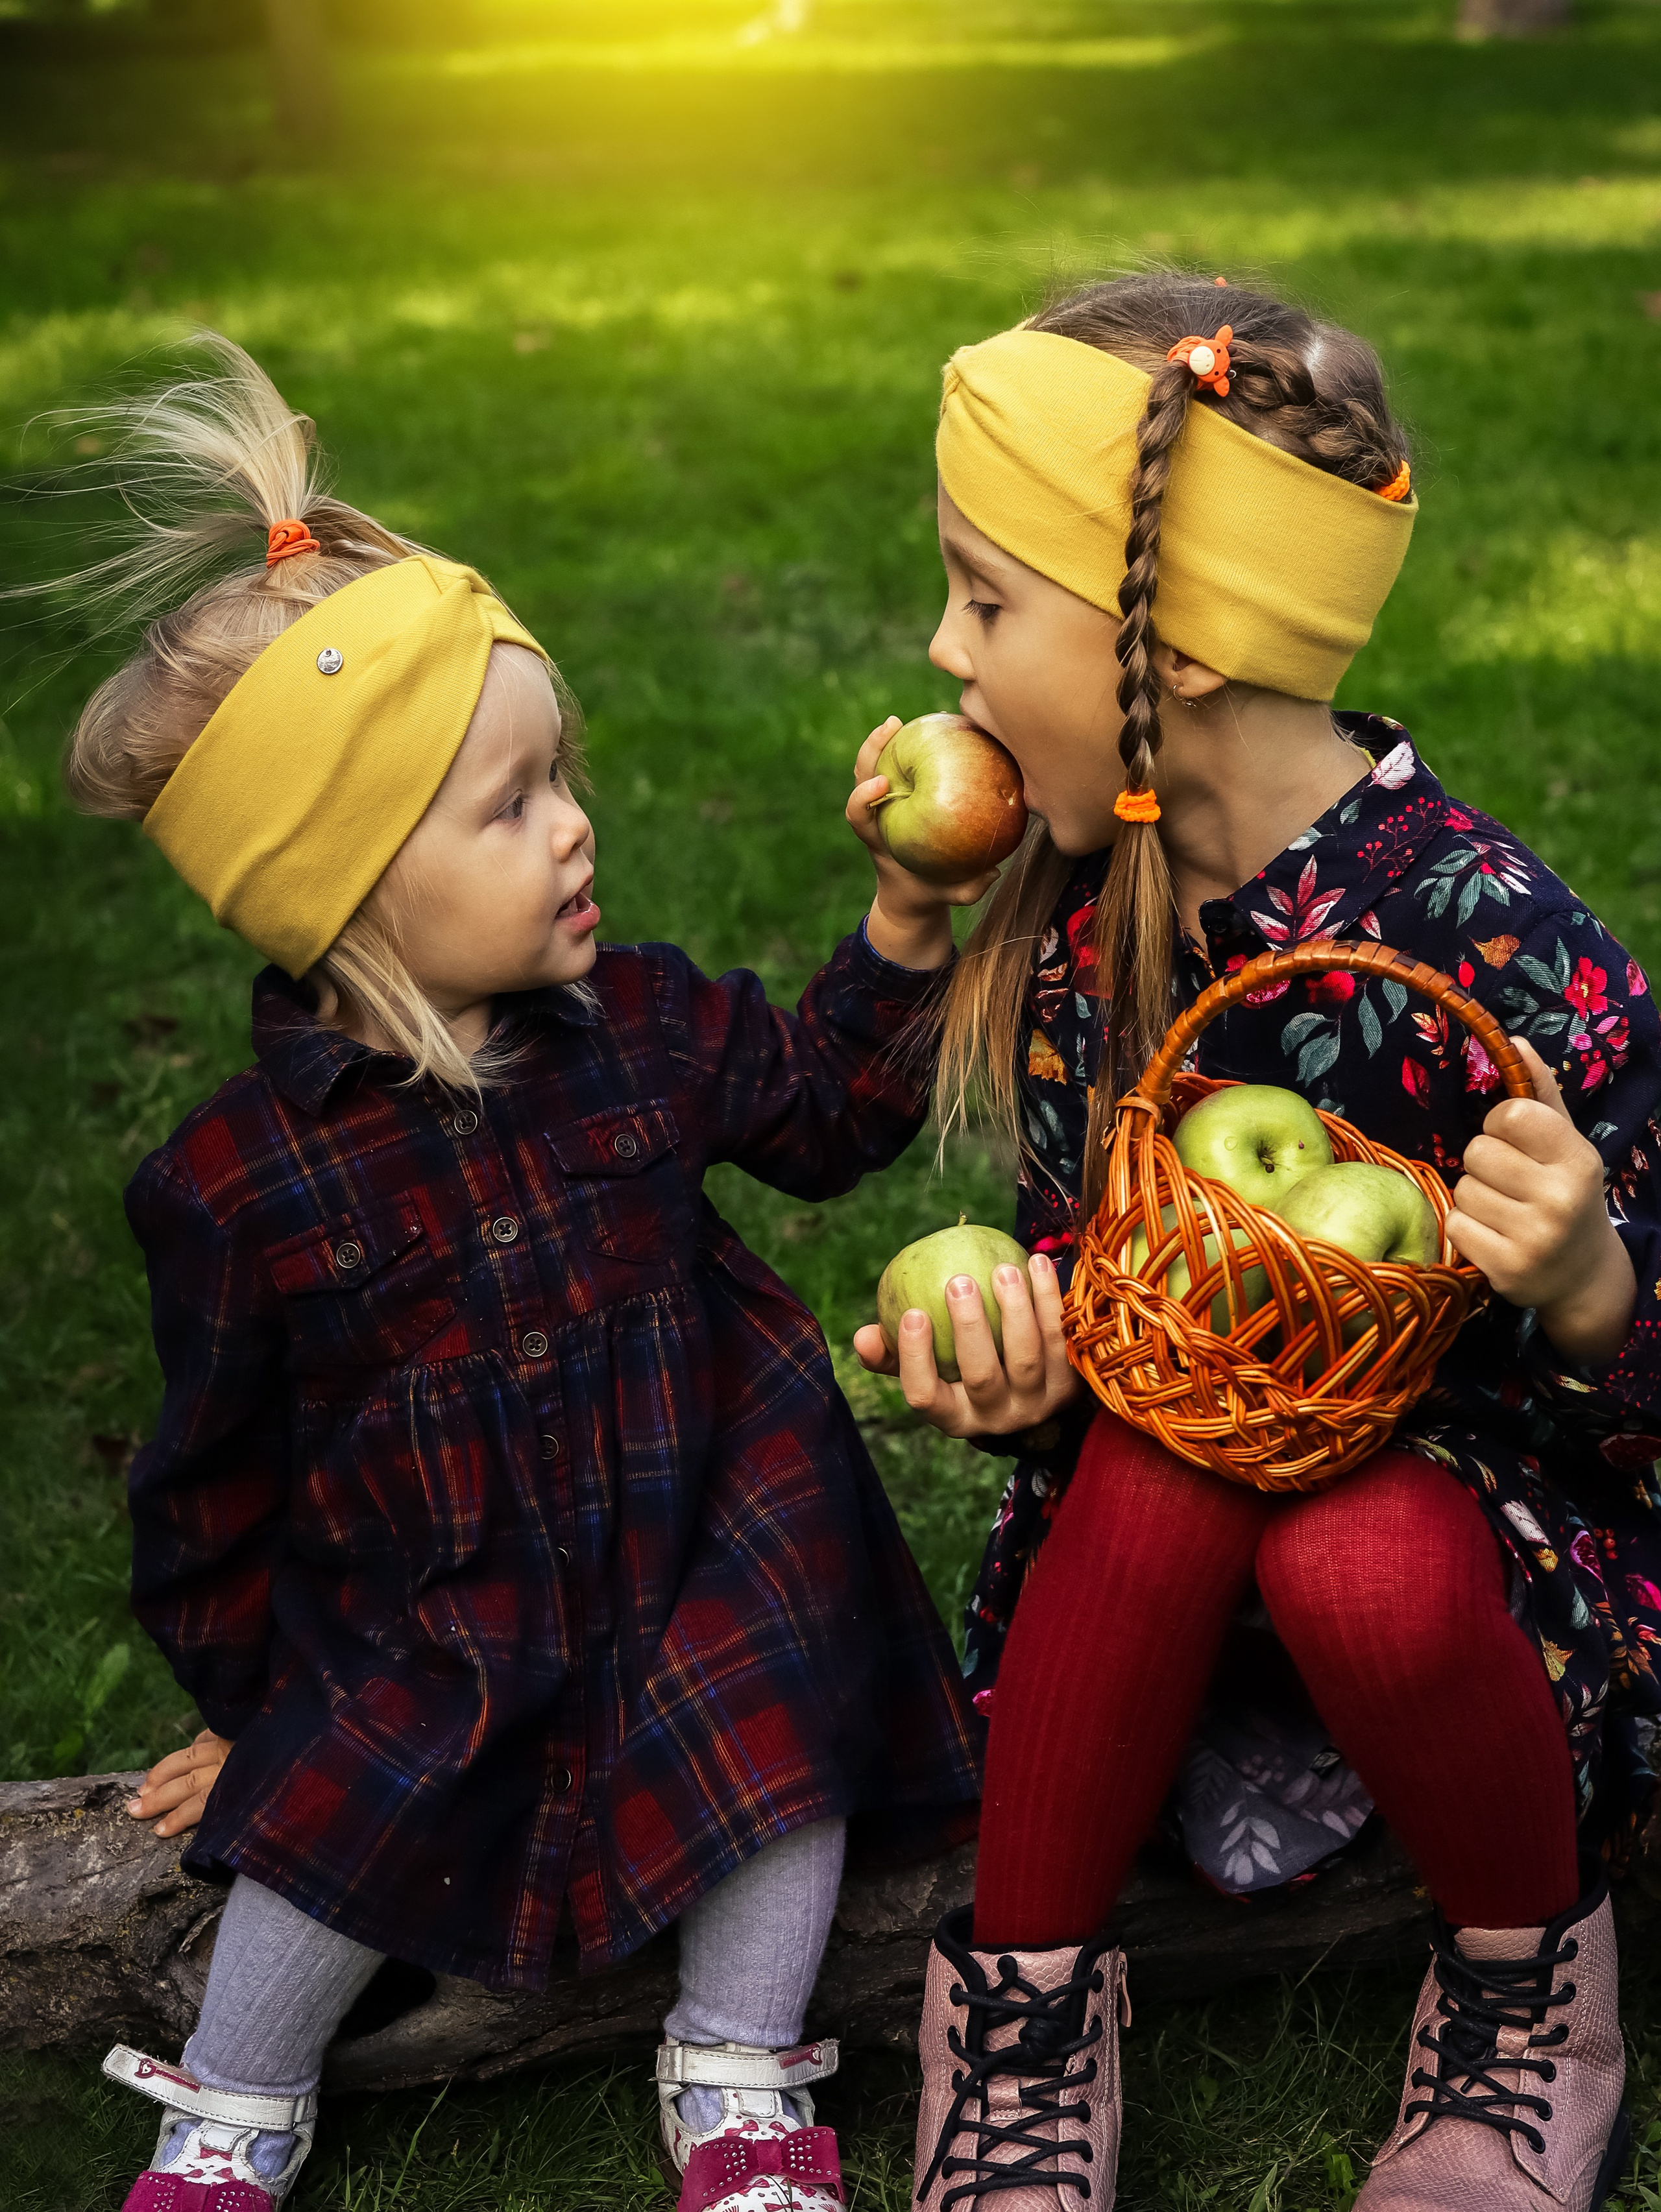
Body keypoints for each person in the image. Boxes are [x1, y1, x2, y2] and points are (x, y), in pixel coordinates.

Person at [37, 336, 983, 2212]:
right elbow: (211, 1481)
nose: (575, 825)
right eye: (511, 803)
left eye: (563, 777)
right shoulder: (242, 1184)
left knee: (776, 1741)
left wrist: (902, 924)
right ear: (350, 890)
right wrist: (246, 1700)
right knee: (329, 1811)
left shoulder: (644, 1021)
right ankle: (232, 2102)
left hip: (704, 1535)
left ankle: (739, 2065)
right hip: (445, 1606)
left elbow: (820, 1113)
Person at [851, 273, 1661, 2211]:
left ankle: (1529, 2000)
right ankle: (1025, 2013)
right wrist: (1035, 1361)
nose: (945, 653)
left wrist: (1589, 1286)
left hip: (1482, 1594)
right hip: (1169, 1577)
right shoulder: (1086, 920)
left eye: (988, 601)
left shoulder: (1490, 941)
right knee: (1163, 1455)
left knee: (1349, 1536)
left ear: (1185, 646)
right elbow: (1111, 1302)